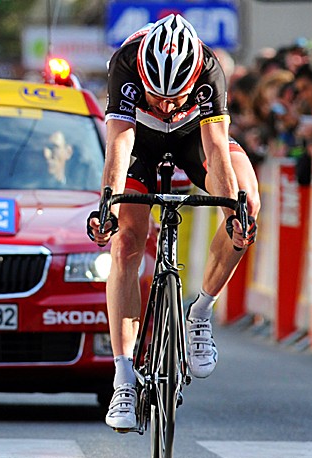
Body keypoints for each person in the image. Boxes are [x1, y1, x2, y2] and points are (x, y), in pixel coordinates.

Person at [88, 14, 260, 430]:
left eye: (174, 97)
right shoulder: (127, 61)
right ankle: (124, 378)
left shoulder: (208, 67)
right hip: (140, 146)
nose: (165, 105)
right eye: (156, 95)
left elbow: (216, 148)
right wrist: (107, 206)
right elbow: (120, 140)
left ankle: (199, 312)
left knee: (247, 204)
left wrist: (230, 212)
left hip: (192, 139)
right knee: (127, 240)